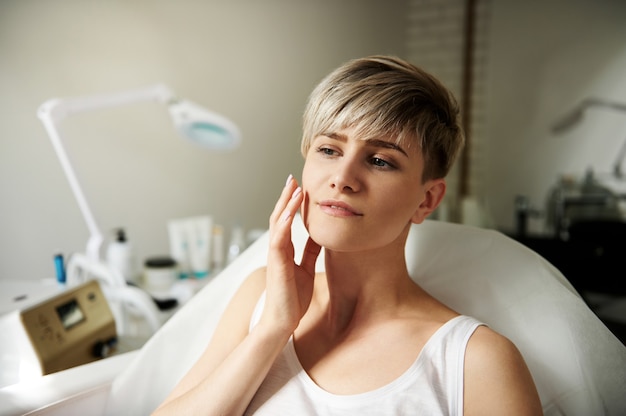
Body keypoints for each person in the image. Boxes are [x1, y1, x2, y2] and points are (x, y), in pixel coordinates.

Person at [153, 55, 542, 415]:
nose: (341, 178)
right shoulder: (261, 297)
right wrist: (274, 329)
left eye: (379, 160)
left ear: (427, 200)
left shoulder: (474, 361)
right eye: (328, 149)